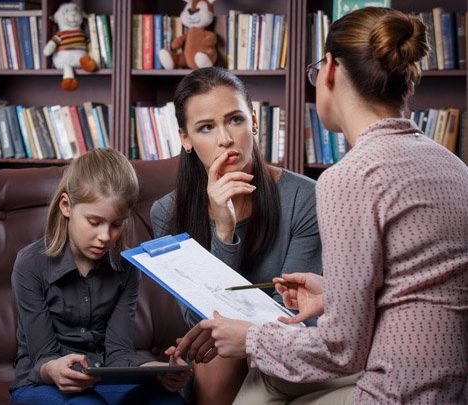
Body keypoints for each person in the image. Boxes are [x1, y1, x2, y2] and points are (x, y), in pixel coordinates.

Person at [175, 7, 468, 404]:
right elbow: (420, 288)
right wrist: (333, 292)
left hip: (394, 391)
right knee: (265, 384)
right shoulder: (453, 165)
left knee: (264, 378)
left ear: (329, 70)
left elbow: (341, 350)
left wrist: (252, 338)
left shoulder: (348, 178)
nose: (225, 138)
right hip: (450, 386)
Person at [150, 66, 323, 404]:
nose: (225, 139)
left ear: (254, 120)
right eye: (205, 128)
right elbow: (199, 317)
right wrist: (223, 231)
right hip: (219, 355)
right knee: (218, 348)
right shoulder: (166, 213)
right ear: (185, 139)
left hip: (287, 348)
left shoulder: (305, 198)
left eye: (235, 120)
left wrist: (241, 334)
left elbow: (293, 316)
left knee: (223, 345)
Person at [9, 148, 191, 405]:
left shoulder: (126, 268)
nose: (106, 236)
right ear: (66, 206)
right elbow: (42, 359)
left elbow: (119, 353)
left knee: (168, 401)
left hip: (103, 382)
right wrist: (54, 368)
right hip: (41, 383)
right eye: (94, 222)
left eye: (116, 224)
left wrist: (158, 370)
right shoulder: (30, 264)